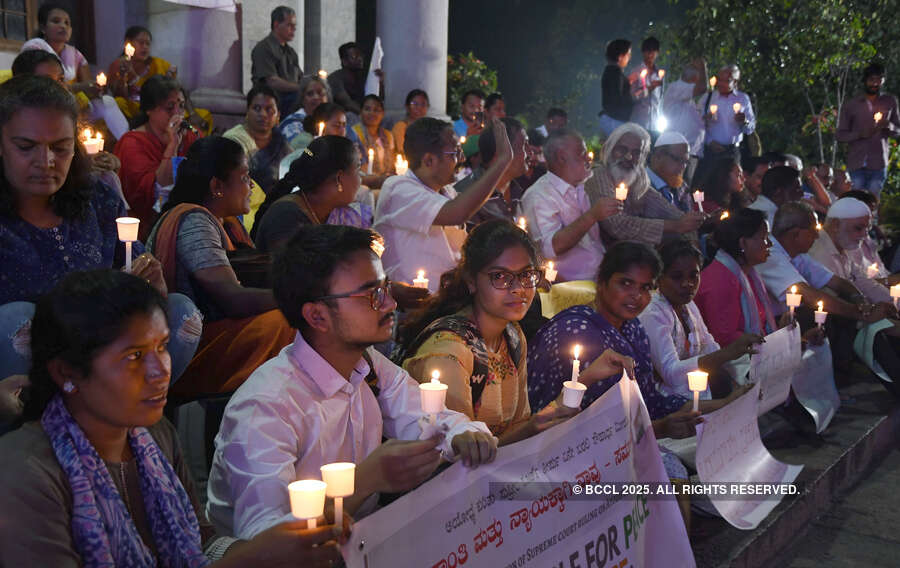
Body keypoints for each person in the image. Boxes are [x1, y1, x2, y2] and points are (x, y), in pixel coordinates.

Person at [0, 270, 342, 566]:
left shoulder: (153, 435)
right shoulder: (25, 472)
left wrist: (282, 546)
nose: (160, 371)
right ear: (66, 372)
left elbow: (201, 541)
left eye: (162, 346)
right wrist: (254, 559)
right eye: (134, 355)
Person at [207, 224, 499, 539]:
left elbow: (431, 418)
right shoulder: (265, 408)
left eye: (386, 289)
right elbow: (266, 540)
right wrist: (366, 481)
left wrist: (463, 434)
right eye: (372, 295)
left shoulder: (368, 367)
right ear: (317, 316)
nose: (390, 304)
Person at [0, 74, 200, 387]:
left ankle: (127, 416)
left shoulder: (99, 201)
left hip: (106, 352)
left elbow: (134, 264)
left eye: (60, 148)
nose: (46, 161)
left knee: (181, 314)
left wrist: (148, 279)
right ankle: (42, 428)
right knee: (16, 322)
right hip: (29, 373)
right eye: (26, 147)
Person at [400, 220, 620, 442]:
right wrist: (533, 428)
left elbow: (518, 427)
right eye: (500, 277)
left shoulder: (512, 335)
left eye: (526, 275)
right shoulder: (448, 353)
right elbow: (460, 456)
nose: (518, 289)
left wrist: (586, 379)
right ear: (471, 281)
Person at [146, 136, 294, 400]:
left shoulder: (226, 224)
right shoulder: (195, 221)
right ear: (217, 186)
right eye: (245, 176)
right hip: (195, 347)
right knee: (287, 323)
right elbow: (232, 299)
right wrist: (297, 297)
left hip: (222, 334)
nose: (251, 186)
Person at [374, 117, 513, 292]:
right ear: (429, 161)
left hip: (449, 299)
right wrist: (502, 161)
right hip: (412, 306)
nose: (462, 158)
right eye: (455, 153)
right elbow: (458, 213)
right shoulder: (398, 188)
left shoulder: (447, 192)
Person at [639, 239, 763, 398]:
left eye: (694, 276)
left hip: (692, 389)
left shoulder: (687, 305)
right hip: (664, 397)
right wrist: (728, 353)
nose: (687, 284)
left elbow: (709, 346)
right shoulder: (652, 313)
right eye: (676, 277)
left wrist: (740, 383)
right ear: (658, 278)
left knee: (731, 381)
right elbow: (671, 374)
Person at [521, 129, 621, 281]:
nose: (588, 157)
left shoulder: (581, 187)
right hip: (571, 287)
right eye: (582, 153)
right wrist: (592, 216)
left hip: (600, 277)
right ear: (562, 158)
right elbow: (549, 249)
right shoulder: (538, 196)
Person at [584, 123, 705, 245]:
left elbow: (669, 211)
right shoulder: (598, 175)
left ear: (643, 157)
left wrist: (690, 223)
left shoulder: (638, 179)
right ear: (610, 149)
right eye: (622, 149)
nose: (629, 156)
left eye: (637, 153)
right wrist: (675, 226)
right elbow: (617, 225)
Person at [21, 5, 130, 140]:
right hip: (42, 104)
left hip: (72, 104)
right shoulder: (34, 48)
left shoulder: (75, 54)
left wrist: (96, 88)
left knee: (107, 101)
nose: (63, 26)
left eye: (67, 23)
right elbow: (39, 87)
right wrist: (77, 88)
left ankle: (128, 140)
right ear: (43, 27)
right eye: (56, 21)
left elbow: (88, 86)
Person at [114, 76, 200, 239]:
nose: (177, 113)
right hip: (147, 226)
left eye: (181, 106)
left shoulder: (189, 136)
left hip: (188, 216)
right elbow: (152, 195)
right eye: (169, 108)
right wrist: (172, 145)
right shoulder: (132, 143)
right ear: (149, 109)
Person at [253, 135, 361, 252]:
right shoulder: (286, 218)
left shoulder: (327, 212)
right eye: (358, 170)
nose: (361, 179)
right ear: (339, 178)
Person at [694, 209, 777, 347]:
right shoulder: (721, 279)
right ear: (743, 243)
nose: (769, 244)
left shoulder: (749, 274)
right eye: (764, 237)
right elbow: (724, 338)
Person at [108, 26, 212, 133]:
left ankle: (195, 146)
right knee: (118, 102)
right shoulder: (118, 65)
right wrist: (122, 76)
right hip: (134, 107)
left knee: (204, 114)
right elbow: (118, 95)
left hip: (160, 107)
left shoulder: (159, 64)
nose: (145, 47)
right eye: (141, 42)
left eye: (148, 44)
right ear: (128, 43)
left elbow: (179, 90)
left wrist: (192, 113)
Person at [835, 63, 900, 196]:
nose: (875, 84)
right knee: (857, 199)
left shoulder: (890, 101)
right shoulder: (852, 105)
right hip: (856, 163)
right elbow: (840, 135)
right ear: (865, 81)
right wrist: (859, 134)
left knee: (873, 201)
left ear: (883, 81)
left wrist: (889, 126)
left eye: (879, 80)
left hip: (879, 163)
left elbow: (898, 131)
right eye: (871, 80)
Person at [454, 117, 528, 227]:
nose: (530, 152)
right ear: (502, 152)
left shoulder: (516, 191)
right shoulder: (467, 196)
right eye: (524, 146)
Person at [223, 83, 291, 196]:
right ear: (247, 112)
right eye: (257, 108)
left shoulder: (280, 142)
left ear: (278, 116)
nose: (263, 114)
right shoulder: (233, 140)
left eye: (269, 109)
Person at [697, 64, 756, 178]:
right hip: (710, 150)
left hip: (732, 152)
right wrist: (708, 140)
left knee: (731, 185)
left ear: (735, 81)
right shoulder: (708, 97)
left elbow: (751, 127)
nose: (721, 83)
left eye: (727, 80)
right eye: (720, 79)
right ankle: (700, 197)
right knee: (704, 184)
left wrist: (744, 121)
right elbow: (695, 124)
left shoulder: (743, 99)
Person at [250, 6, 302, 116]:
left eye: (294, 26)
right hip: (272, 101)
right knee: (302, 96)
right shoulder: (264, 47)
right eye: (289, 25)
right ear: (276, 24)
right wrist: (300, 88)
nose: (294, 29)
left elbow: (300, 78)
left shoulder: (291, 52)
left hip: (291, 97)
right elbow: (272, 81)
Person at [663, 58, 708, 182]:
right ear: (694, 78)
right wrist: (703, 66)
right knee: (680, 186)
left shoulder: (687, 98)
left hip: (692, 152)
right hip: (681, 152)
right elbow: (702, 88)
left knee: (689, 189)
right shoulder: (677, 88)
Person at [278, 102, 349, 178]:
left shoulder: (336, 146)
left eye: (344, 125)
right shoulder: (304, 143)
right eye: (336, 126)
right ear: (319, 127)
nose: (342, 131)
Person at [351, 94, 396, 188]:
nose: (372, 113)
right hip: (363, 182)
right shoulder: (354, 133)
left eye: (376, 110)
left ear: (383, 114)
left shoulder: (388, 135)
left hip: (385, 182)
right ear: (361, 112)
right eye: (367, 109)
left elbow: (392, 164)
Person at [279, 76, 332, 149]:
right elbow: (303, 150)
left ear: (327, 98)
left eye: (320, 93)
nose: (316, 97)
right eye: (310, 94)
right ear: (302, 99)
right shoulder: (292, 124)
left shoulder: (336, 120)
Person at [647, 131, 693, 212]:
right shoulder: (639, 185)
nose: (682, 167)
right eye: (677, 159)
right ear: (658, 156)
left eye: (686, 162)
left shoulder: (682, 187)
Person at [627, 37, 664, 131]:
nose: (650, 55)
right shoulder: (636, 72)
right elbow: (632, 97)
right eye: (647, 51)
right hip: (640, 122)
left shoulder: (659, 75)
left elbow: (660, 99)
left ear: (657, 53)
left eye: (653, 51)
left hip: (656, 123)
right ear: (643, 52)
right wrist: (649, 89)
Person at [599, 39, 634, 136]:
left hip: (614, 119)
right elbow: (616, 98)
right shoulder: (615, 72)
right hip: (615, 120)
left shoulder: (612, 72)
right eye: (628, 54)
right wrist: (637, 94)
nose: (629, 57)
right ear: (620, 56)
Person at [328, 42, 367, 115]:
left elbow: (375, 99)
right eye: (354, 56)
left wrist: (379, 82)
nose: (360, 59)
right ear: (344, 61)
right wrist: (367, 116)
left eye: (361, 55)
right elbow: (347, 103)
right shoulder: (335, 78)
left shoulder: (362, 78)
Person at [392, 89, 429, 157]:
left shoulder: (429, 128)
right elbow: (402, 151)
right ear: (407, 106)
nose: (419, 108)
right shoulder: (401, 127)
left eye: (423, 104)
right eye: (414, 104)